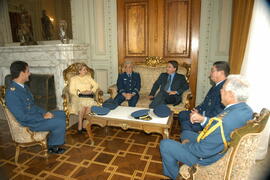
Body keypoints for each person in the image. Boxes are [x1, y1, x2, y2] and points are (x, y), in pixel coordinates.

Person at [159, 75, 253, 180]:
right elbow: (218, 124)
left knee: (165, 144)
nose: (220, 91)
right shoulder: (245, 109)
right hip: (217, 147)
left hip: (206, 160)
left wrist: (187, 144)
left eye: (223, 89)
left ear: (231, 94)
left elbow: (202, 150)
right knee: (185, 133)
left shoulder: (223, 123)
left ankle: (174, 175)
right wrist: (203, 119)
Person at [5, 61, 66, 154]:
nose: (30, 73)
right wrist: (42, 117)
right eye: (28, 71)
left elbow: (33, 105)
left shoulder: (23, 87)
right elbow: (22, 117)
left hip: (34, 116)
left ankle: (52, 139)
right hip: (29, 123)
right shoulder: (12, 93)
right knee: (60, 122)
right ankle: (53, 146)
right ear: (22, 74)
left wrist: (45, 112)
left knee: (61, 114)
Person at [179, 61, 230, 134]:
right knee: (182, 114)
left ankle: (193, 138)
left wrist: (200, 115)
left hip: (208, 120)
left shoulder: (224, 89)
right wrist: (196, 110)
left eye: (212, 71)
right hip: (202, 113)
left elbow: (218, 113)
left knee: (186, 123)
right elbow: (205, 103)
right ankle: (193, 134)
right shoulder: (216, 86)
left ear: (221, 73)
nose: (210, 74)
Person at [69, 63, 99, 133]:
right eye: (84, 70)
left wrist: (91, 91)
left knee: (89, 106)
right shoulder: (74, 79)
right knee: (82, 106)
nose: (86, 71)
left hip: (88, 96)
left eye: (86, 70)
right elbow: (71, 90)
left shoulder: (88, 77)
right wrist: (80, 92)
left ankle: (85, 125)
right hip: (78, 97)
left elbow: (96, 85)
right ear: (79, 71)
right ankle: (80, 124)